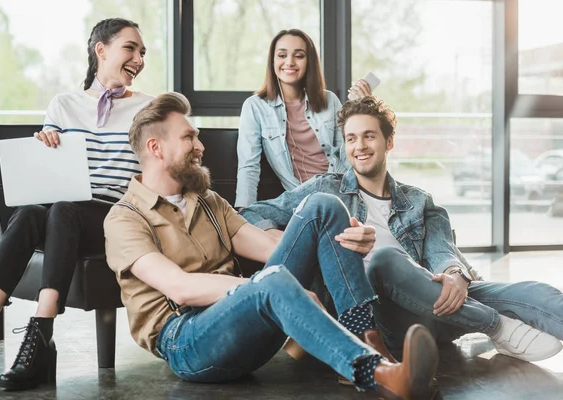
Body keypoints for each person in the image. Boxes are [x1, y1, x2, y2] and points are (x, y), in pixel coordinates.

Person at [103, 92, 439, 400]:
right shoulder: (124, 219)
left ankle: (364, 336)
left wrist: (344, 238)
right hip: (188, 342)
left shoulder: (208, 202)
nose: (200, 146)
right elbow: (181, 289)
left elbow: (271, 246)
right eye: (189, 137)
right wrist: (269, 286)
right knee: (273, 279)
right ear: (155, 148)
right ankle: (378, 374)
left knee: (322, 205)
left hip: (247, 325)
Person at [240, 96, 563, 365]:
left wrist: (454, 274)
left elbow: (441, 250)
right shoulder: (326, 189)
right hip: (383, 320)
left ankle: (483, 317)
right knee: (386, 260)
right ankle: (496, 327)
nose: (359, 146)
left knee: (538, 293)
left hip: (434, 303)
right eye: (351, 139)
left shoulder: (419, 200)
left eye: (369, 136)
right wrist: (284, 240)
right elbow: (253, 214)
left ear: (388, 141)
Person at [0, 18, 153, 393]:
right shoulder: (63, 105)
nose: (139, 58)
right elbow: (53, 178)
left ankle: (41, 335)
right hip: (65, 212)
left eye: (143, 52)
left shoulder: (149, 108)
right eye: (130, 48)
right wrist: (45, 144)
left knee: (63, 210)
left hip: (114, 214)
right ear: (101, 49)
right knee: (31, 213)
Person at [235, 29, 371, 209]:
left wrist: (360, 109)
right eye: (282, 55)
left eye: (299, 56)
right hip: (299, 197)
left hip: (339, 189)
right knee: (252, 215)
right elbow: (249, 166)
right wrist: (243, 211)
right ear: (273, 61)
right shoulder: (255, 106)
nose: (289, 62)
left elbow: (349, 152)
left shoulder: (330, 101)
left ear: (309, 62)